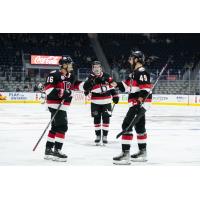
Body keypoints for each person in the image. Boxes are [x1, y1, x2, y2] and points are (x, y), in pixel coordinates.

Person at [111, 50, 152, 165]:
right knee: (139, 128)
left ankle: (125, 154)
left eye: (131, 58)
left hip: (138, 103)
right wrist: (112, 83)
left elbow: (145, 89)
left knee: (126, 126)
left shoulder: (141, 72)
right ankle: (143, 153)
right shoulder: (133, 73)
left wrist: (139, 102)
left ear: (137, 60)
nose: (129, 60)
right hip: (137, 103)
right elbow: (125, 86)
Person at [44, 56, 83, 162]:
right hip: (55, 105)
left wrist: (89, 84)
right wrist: (62, 93)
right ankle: (57, 151)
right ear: (64, 65)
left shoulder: (71, 76)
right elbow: (48, 90)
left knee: (55, 127)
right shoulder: (53, 74)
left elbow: (77, 85)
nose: (71, 66)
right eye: (69, 64)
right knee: (62, 127)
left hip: (63, 106)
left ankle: (48, 150)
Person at [83, 61, 119, 145]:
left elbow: (112, 86)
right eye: (94, 67)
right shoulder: (90, 77)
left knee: (106, 118)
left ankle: (105, 136)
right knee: (97, 119)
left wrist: (115, 95)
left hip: (106, 101)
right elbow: (86, 89)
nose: (96, 68)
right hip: (95, 102)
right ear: (92, 68)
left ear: (100, 68)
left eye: (98, 67)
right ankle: (98, 136)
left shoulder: (106, 76)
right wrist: (88, 88)